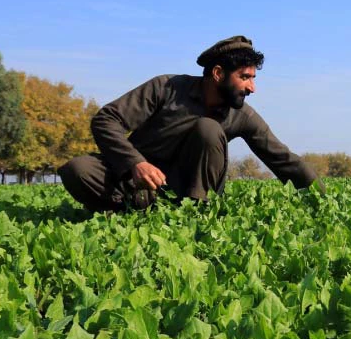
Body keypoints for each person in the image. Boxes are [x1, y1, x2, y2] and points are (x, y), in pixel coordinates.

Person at [58, 35, 320, 212]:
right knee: (77, 169)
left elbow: (284, 160)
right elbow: (107, 120)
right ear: (218, 74)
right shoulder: (166, 88)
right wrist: (135, 163)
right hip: (139, 184)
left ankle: (196, 214)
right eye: (245, 77)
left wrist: (324, 199)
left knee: (208, 128)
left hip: (189, 193)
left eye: (253, 78)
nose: (252, 87)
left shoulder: (242, 115)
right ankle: (129, 211)